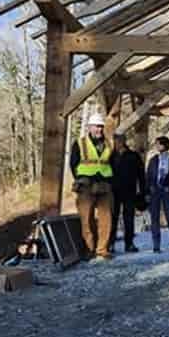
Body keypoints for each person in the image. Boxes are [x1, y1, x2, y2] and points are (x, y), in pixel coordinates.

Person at [69, 112, 114, 262]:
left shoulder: (109, 144)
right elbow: (73, 163)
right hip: (86, 185)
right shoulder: (80, 143)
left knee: (106, 219)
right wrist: (79, 179)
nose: (99, 129)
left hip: (104, 184)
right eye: (96, 126)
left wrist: (111, 181)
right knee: (86, 219)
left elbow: (113, 163)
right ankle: (89, 249)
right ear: (89, 127)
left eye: (101, 126)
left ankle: (102, 250)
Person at [110, 133, 146, 254]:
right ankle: (110, 243)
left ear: (123, 142)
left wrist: (142, 191)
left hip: (129, 191)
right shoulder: (110, 156)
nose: (116, 143)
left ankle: (129, 243)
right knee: (112, 218)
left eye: (118, 141)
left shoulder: (133, 156)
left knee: (129, 218)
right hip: (113, 191)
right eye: (115, 141)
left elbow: (141, 174)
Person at [146, 136, 169, 253]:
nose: (156, 146)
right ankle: (156, 245)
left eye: (158, 144)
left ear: (164, 145)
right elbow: (148, 177)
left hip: (167, 190)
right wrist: (147, 192)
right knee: (154, 218)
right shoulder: (153, 160)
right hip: (155, 191)